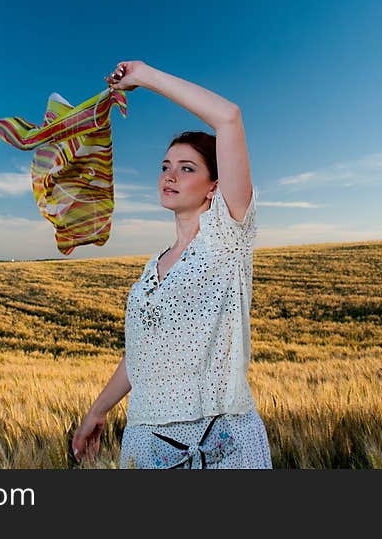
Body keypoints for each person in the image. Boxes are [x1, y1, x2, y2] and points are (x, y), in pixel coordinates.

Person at [70, 60, 272, 469]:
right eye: (165, 166)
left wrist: (144, 76)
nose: (170, 176)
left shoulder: (227, 236)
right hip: (146, 444)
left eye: (187, 168)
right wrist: (98, 410)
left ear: (214, 184)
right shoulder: (151, 270)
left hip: (222, 442)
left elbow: (229, 117)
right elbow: (141, 354)